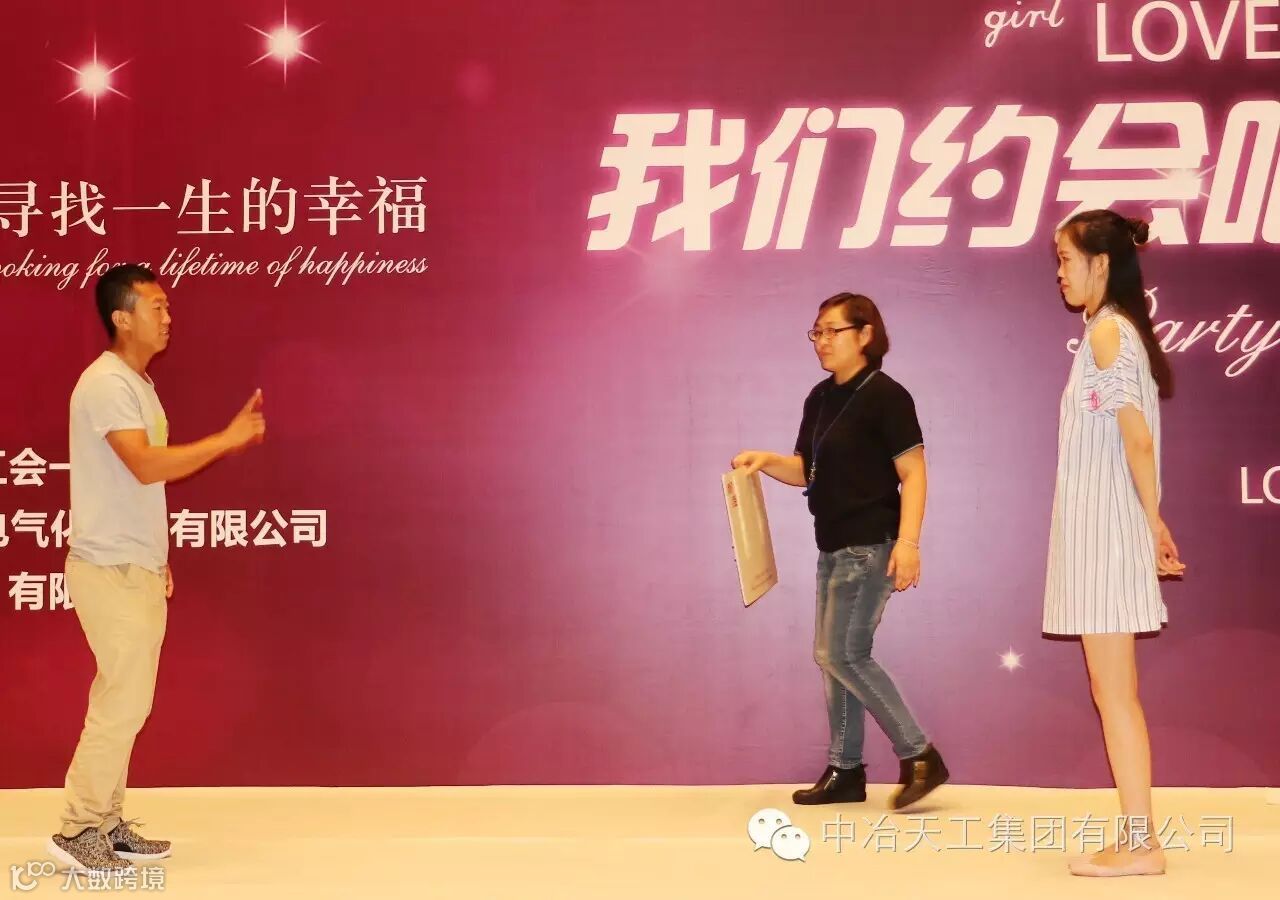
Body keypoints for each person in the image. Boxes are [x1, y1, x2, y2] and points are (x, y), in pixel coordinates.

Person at [47, 264, 267, 874]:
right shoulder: (107, 383)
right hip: (109, 567)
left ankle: (106, 821)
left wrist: (157, 558)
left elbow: (138, 485)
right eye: (157, 307)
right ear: (122, 317)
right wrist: (226, 439)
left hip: (134, 565)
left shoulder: (137, 384)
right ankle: (77, 827)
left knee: (129, 701)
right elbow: (144, 466)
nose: (168, 317)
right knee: (121, 702)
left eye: (168, 307)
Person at [732, 291, 948, 810]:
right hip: (831, 547)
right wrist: (765, 461)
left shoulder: (887, 396)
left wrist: (909, 543)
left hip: (870, 545)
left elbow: (914, 472)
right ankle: (846, 771)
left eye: (833, 331)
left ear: (865, 334)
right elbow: (806, 471)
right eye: (817, 332)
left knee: (840, 654)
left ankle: (920, 755)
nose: (822, 341)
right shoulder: (819, 398)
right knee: (836, 660)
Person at [1044, 211, 1186, 878]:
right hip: (1102, 536)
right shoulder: (1113, 332)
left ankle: (1140, 844)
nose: (1060, 273)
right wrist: (1151, 523)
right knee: (1114, 693)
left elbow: (1138, 438)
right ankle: (1138, 839)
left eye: (1067, 259)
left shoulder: (1107, 332)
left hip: (1105, 540)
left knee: (1117, 696)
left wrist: (1151, 523)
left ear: (1101, 262)